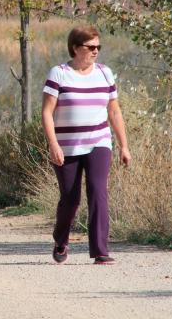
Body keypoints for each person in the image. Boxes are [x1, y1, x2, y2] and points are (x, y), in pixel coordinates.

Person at [41, 25, 131, 265]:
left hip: (99, 142)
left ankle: (100, 250)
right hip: (67, 146)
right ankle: (61, 239)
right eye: (90, 47)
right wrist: (53, 144)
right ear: (75, 48)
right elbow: (47, 112)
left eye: (98, 47)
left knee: (98, 190)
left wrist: (123, 145)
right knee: (70, 199)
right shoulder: (59, 73)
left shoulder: (104, 73)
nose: (95, 51)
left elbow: (114, 111)